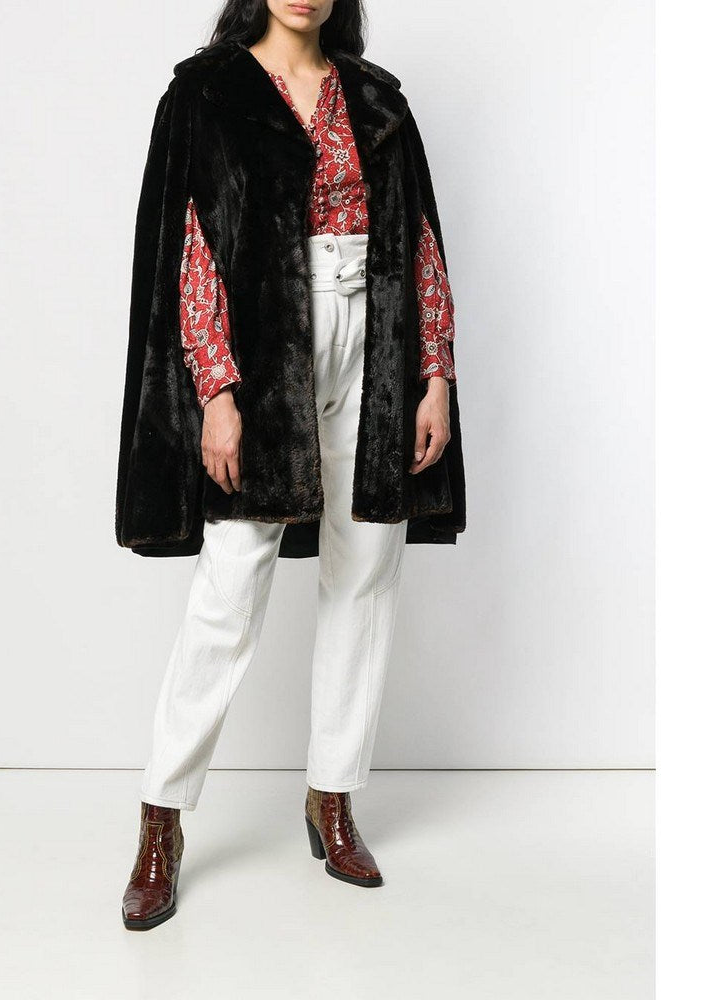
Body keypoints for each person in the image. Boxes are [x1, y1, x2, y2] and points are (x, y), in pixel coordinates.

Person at [115, 0, 465, 930]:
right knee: (229, 586)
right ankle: (161, 818)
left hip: (374, 341)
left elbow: (419, 236)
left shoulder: (376, 98)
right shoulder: (208, 93)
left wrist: (433, 374)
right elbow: (189, 246)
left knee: (367, 571)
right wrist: (216, 389)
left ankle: (332, 795)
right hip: (268, 348)